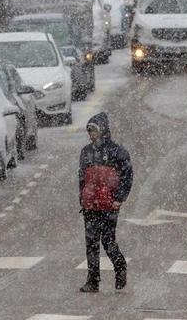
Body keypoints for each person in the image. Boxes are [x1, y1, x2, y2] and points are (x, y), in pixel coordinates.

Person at [78, 112, 133, 293]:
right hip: (91, 205)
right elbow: (82, 177)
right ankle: (93, 280)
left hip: (109, 205)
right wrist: (83, 198)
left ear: (102, 131)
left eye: (93, 130)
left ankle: (120, 268)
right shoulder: (86, 152)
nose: (91, 134)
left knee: (108, 240)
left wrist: (119, 198)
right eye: (89, 131)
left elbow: (127, 176)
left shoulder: (117, 152)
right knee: (91, 242)